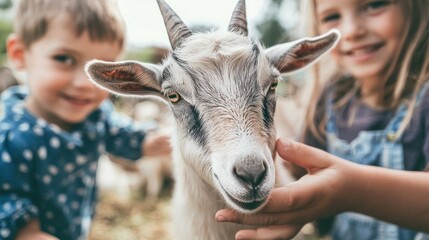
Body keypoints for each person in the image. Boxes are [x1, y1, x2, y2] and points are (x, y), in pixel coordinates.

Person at [216, 0, 429, 239]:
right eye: (331, 17)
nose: (352, 31)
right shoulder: (330, 99)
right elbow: (297, 171)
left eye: (374, 5)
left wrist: (351, 191)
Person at [0, 0, 171, 240]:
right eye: (64, 59)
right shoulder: (11, 139)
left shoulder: (95, 116)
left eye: (102, 70)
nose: (84, 84)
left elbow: (121, 133)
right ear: (20, 55)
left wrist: (149, 140)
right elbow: (10, 208)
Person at [215, 138, 429, 240]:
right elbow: (304, 172)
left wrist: (353, 191)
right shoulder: (329, 97)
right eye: (342, 43)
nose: (353, 45)